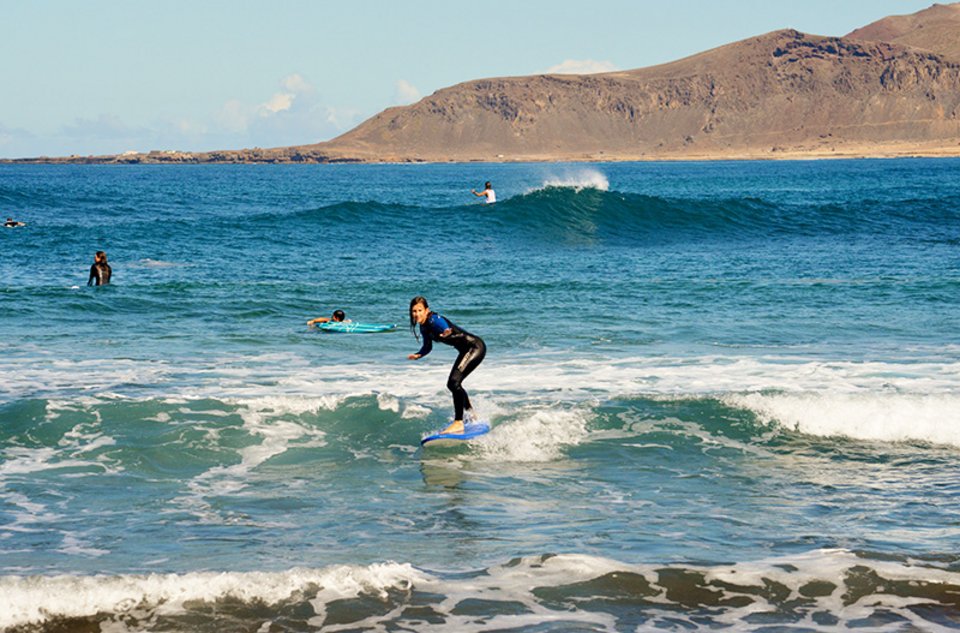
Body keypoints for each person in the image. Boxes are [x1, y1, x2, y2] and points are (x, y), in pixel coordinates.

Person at [407, 296, 486, 435]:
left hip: (474, 348)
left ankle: (458, 422)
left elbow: (444, 326)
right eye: (414, 311)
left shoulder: (433, 319)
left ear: (427, 310)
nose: (417, 314)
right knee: (455, 384)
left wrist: (447, 331)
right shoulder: (424, 326)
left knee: (453, 383)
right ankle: (470, 414)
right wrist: (419, 354)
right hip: (465, 351)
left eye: (420, 310)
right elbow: (427, 346)